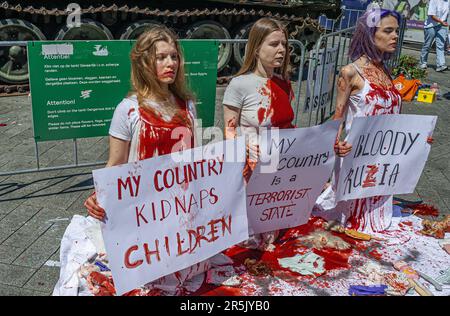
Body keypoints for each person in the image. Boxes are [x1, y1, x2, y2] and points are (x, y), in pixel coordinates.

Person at [79, 26, 213, 295]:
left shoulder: (187, 105)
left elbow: (195, 158)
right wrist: (98, 195)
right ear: (144, 62)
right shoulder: (127, 110)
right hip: (142, 212)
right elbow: (115, 164)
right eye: (161, 57)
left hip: (181, 210)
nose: (170, 64)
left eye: (173, 57)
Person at [313, 9, 404, 234]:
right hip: (356, 163)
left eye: (397, 31)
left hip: (383, 163)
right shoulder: (350, 73)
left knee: (379, 227)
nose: (395, 37)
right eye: (388, 31)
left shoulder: (385, 72)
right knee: (354, 227)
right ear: (370, 34)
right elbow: (338, 117)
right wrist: (335, 143)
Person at [222, 17, 295, 250]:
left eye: (284, 44)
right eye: (274, 44)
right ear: (256, 48)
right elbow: (229, 132)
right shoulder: (239, 85)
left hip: (280, 170)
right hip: (250, 174)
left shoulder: (284, 83)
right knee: (250, 247)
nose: (281, 50)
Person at [419, 0, 449, 72]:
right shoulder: (434, 0)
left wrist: (444, 22)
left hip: (442, 25)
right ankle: (423, 62)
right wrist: (441, 21)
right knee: (427, 45)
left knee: (440, 45)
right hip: (431, 25)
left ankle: (440, 65)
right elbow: (432, 15)